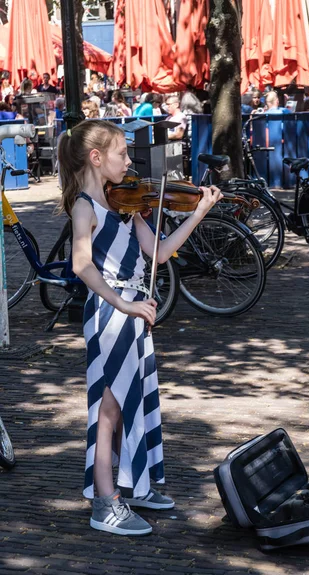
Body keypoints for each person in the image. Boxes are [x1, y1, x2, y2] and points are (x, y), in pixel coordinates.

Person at [57, 119, 222, 535]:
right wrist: (123, 303)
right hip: (112, 315)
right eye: (123, 154)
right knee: (107, 411)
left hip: (134, 312)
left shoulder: (124, 205)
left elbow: (161, 254)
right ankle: (103, 502)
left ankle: (134, 484)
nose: (130, 162)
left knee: (136, 400)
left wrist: (199, 211)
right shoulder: (85, 207)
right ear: (97, 159)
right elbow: (82, 265)